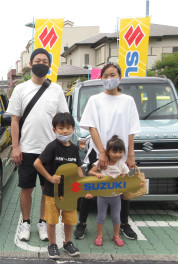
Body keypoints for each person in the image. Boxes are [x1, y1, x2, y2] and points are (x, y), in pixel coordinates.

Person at [6, 48, 69, 242]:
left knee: (47, 189)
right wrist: (16, 147)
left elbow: (63, 120)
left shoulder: (57, 90)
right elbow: (14, 121)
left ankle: (42, 222)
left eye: (45, 61)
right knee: (26, 188)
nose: (41, 63)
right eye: (37, 60)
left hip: (50, 150)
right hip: (26, 149)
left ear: (49, 65)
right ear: (31, 64)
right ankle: (26, 223)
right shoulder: (20, 89)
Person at [74, 62, 141, 240]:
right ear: (101, 78)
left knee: (123, 189)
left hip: (121, 154)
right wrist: (102, 152)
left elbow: (131, 130)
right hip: (99, 153)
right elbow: (91, 127)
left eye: (113, 75)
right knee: (89, 188)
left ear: (120, 77)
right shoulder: (95, 100)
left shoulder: (128, 101)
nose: (109, 79)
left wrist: (131, 155)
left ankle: (124, 224)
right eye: (106, 76)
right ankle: (82, 224)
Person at [34, 112, 82, 259]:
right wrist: (50, 177)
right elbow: (37, 163)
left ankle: (68, 243)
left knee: (69, 220)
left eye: (68, 127)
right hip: (51, 192)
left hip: (70, 193)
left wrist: (84, 186)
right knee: (52, 220)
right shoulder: (52, 147)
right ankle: (52, 245)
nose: (65, 131)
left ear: (73, 128)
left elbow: (78, 168)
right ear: (54, 130)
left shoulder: (74, 149)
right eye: (61, 128)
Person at [88, 135, 129, 247]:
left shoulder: (122, 165)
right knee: (101, 216)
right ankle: (99, 236)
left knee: (116, 217)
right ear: (107, 152)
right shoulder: (101, 162)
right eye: (114, 152)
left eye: (121, 152)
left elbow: (126, 177)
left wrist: (122, 177)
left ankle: (116, 235)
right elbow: (90, 173)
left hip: (116, 197)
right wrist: (97, 174)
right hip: (102, 196)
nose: (118, 155)